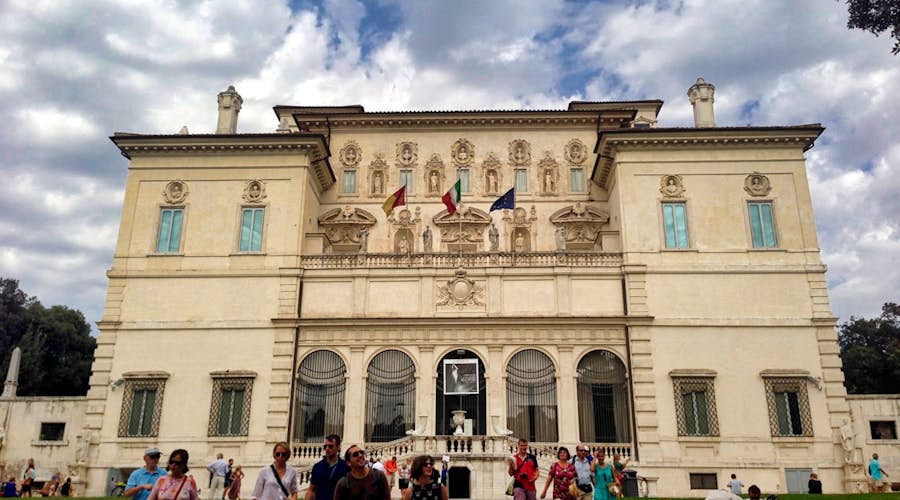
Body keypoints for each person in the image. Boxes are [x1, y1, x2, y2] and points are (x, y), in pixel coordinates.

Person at [306, 434, 349, 500]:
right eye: (325, 446)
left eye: (330, 446)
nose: (327, 449)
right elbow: (311, 490)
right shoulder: (318, 466)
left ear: (338, 447)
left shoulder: (345, 467)